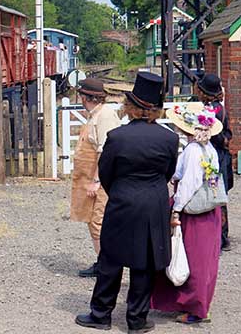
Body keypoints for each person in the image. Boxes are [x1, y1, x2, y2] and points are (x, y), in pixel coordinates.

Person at [75, 72, 179, 334]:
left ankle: (101, 314)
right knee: (144, 262)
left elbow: (107, 173)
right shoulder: (169, 139)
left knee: (111, 259)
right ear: (156, 109)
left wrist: (121, 190)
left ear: (130, 106)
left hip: (122, 199)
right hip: (154, 202)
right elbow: (169, 171)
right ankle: (136, 319)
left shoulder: (118, 137)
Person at [151, 103, 224, 324]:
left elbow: (188, 183)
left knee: (192, 257)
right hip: (210, 208)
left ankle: (195, 308)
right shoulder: (209, 148)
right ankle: (198, 303)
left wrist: (176, 210)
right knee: (205, 259)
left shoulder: (192, 150)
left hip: (193, 210)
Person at [70, 78, 121, 277]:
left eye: (81, 95)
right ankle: (103, 262)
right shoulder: (97, 114)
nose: (80, 99)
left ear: (87, 97)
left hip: (101, 181)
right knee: (94, 221)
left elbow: (105, 150)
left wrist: (97, 180)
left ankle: (107, 267)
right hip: (93, 179)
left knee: (99, 221)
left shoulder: (105, 116)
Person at [195, 73, 233, 251]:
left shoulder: (211, 111)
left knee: (215, 193)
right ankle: (222, 234)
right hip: (221, 155)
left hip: (215, 156)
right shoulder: (221, 108)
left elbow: (217, 137)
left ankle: (220, 237)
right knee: (219, 193)